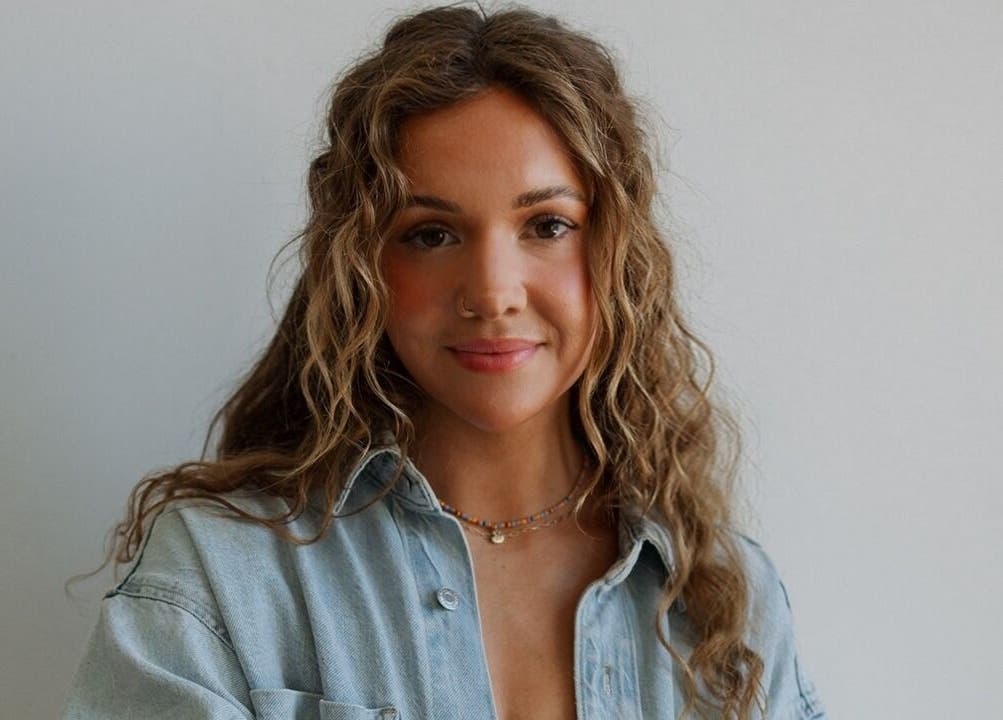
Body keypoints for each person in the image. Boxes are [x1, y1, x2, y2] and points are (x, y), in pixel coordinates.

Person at [62, 4, 826, 719]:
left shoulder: (727, 602)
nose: (492, 292)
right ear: (362, 267)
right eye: (431, 233)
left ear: (616, 255)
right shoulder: (222, 579)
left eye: (547, 225)